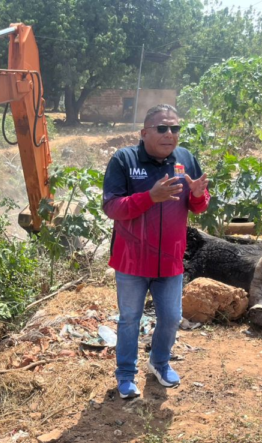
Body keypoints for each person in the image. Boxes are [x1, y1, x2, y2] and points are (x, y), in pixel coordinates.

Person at [102, 104, 209, 399]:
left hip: (170, 260)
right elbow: (111, 207)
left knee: (172, 317)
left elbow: (198, 206)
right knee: (129, 319)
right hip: (131, 261)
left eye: (175, 128)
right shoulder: (124, 160)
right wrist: (150, 197)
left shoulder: (185, 159)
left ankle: (159, 363)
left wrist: (198, 195)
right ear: (144, 133)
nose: (169, 134)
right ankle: (126, 374)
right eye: (162, 128)